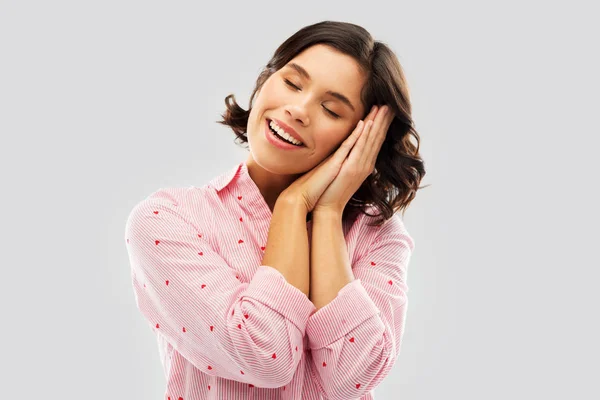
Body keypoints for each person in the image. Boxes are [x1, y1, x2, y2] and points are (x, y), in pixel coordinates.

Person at [124, 20, 426, 400]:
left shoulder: (378, 234)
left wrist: (328, 213)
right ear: (264, 80)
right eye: (292, 83)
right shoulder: (167, 220)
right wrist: (292, 206)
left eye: (331, 110)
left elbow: (354, 377)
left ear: (362, 139)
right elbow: (265, 356)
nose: (298, 109)